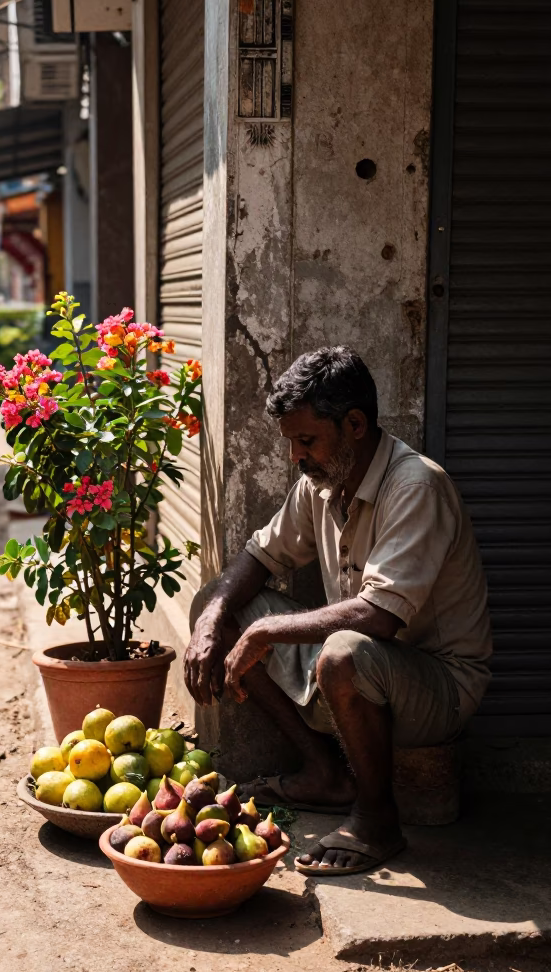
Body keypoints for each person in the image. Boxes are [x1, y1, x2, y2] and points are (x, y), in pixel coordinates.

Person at [184, 347, 491, 877]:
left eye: (306, 441)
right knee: (216, 603)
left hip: (438, 686)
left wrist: (265, 632)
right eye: (290, 443)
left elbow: (379, 618)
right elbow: (260, 556)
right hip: (355, 665)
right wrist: (214, 620)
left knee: (342, 652)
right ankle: (325, 771)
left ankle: (377, 820)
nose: (295, 457)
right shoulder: (321, 483)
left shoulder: (416, 485)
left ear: (354, 424)